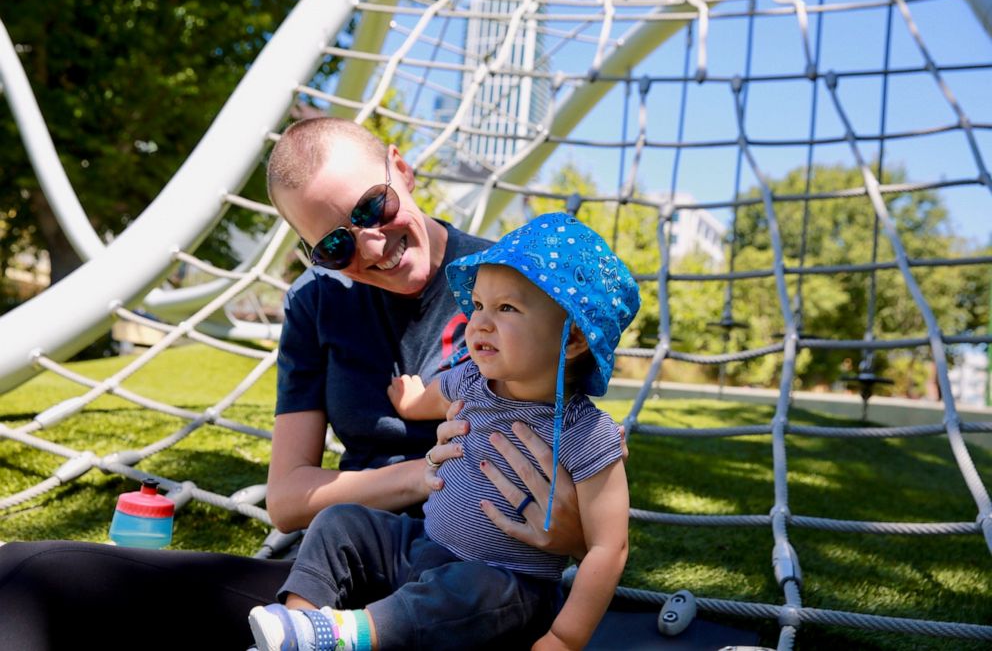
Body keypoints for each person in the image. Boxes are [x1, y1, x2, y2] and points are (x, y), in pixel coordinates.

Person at [0, 118, 590, 650]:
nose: (373, 246)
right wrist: (427, 474)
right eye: (335, 245)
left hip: (478, 588)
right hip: (352, 571)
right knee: (31, 575)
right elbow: (288, 500)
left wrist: (577, 536)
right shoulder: (315, 304)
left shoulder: (520, 288)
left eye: (373, 208)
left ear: (401, 168)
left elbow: (576, 470)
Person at [246, 213, 640, 651]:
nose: (480, 323)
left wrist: (565, 639)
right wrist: (411, 403)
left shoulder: (586, 432)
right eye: (477, 305)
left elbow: (609, 548)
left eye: (506, 308)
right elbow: (436, 394)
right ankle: (301, 626)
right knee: (340, 520)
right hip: (424, 547)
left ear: (571, 341)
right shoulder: (473, 379)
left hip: (505, 589)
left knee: (463, 592)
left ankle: (344, 635)